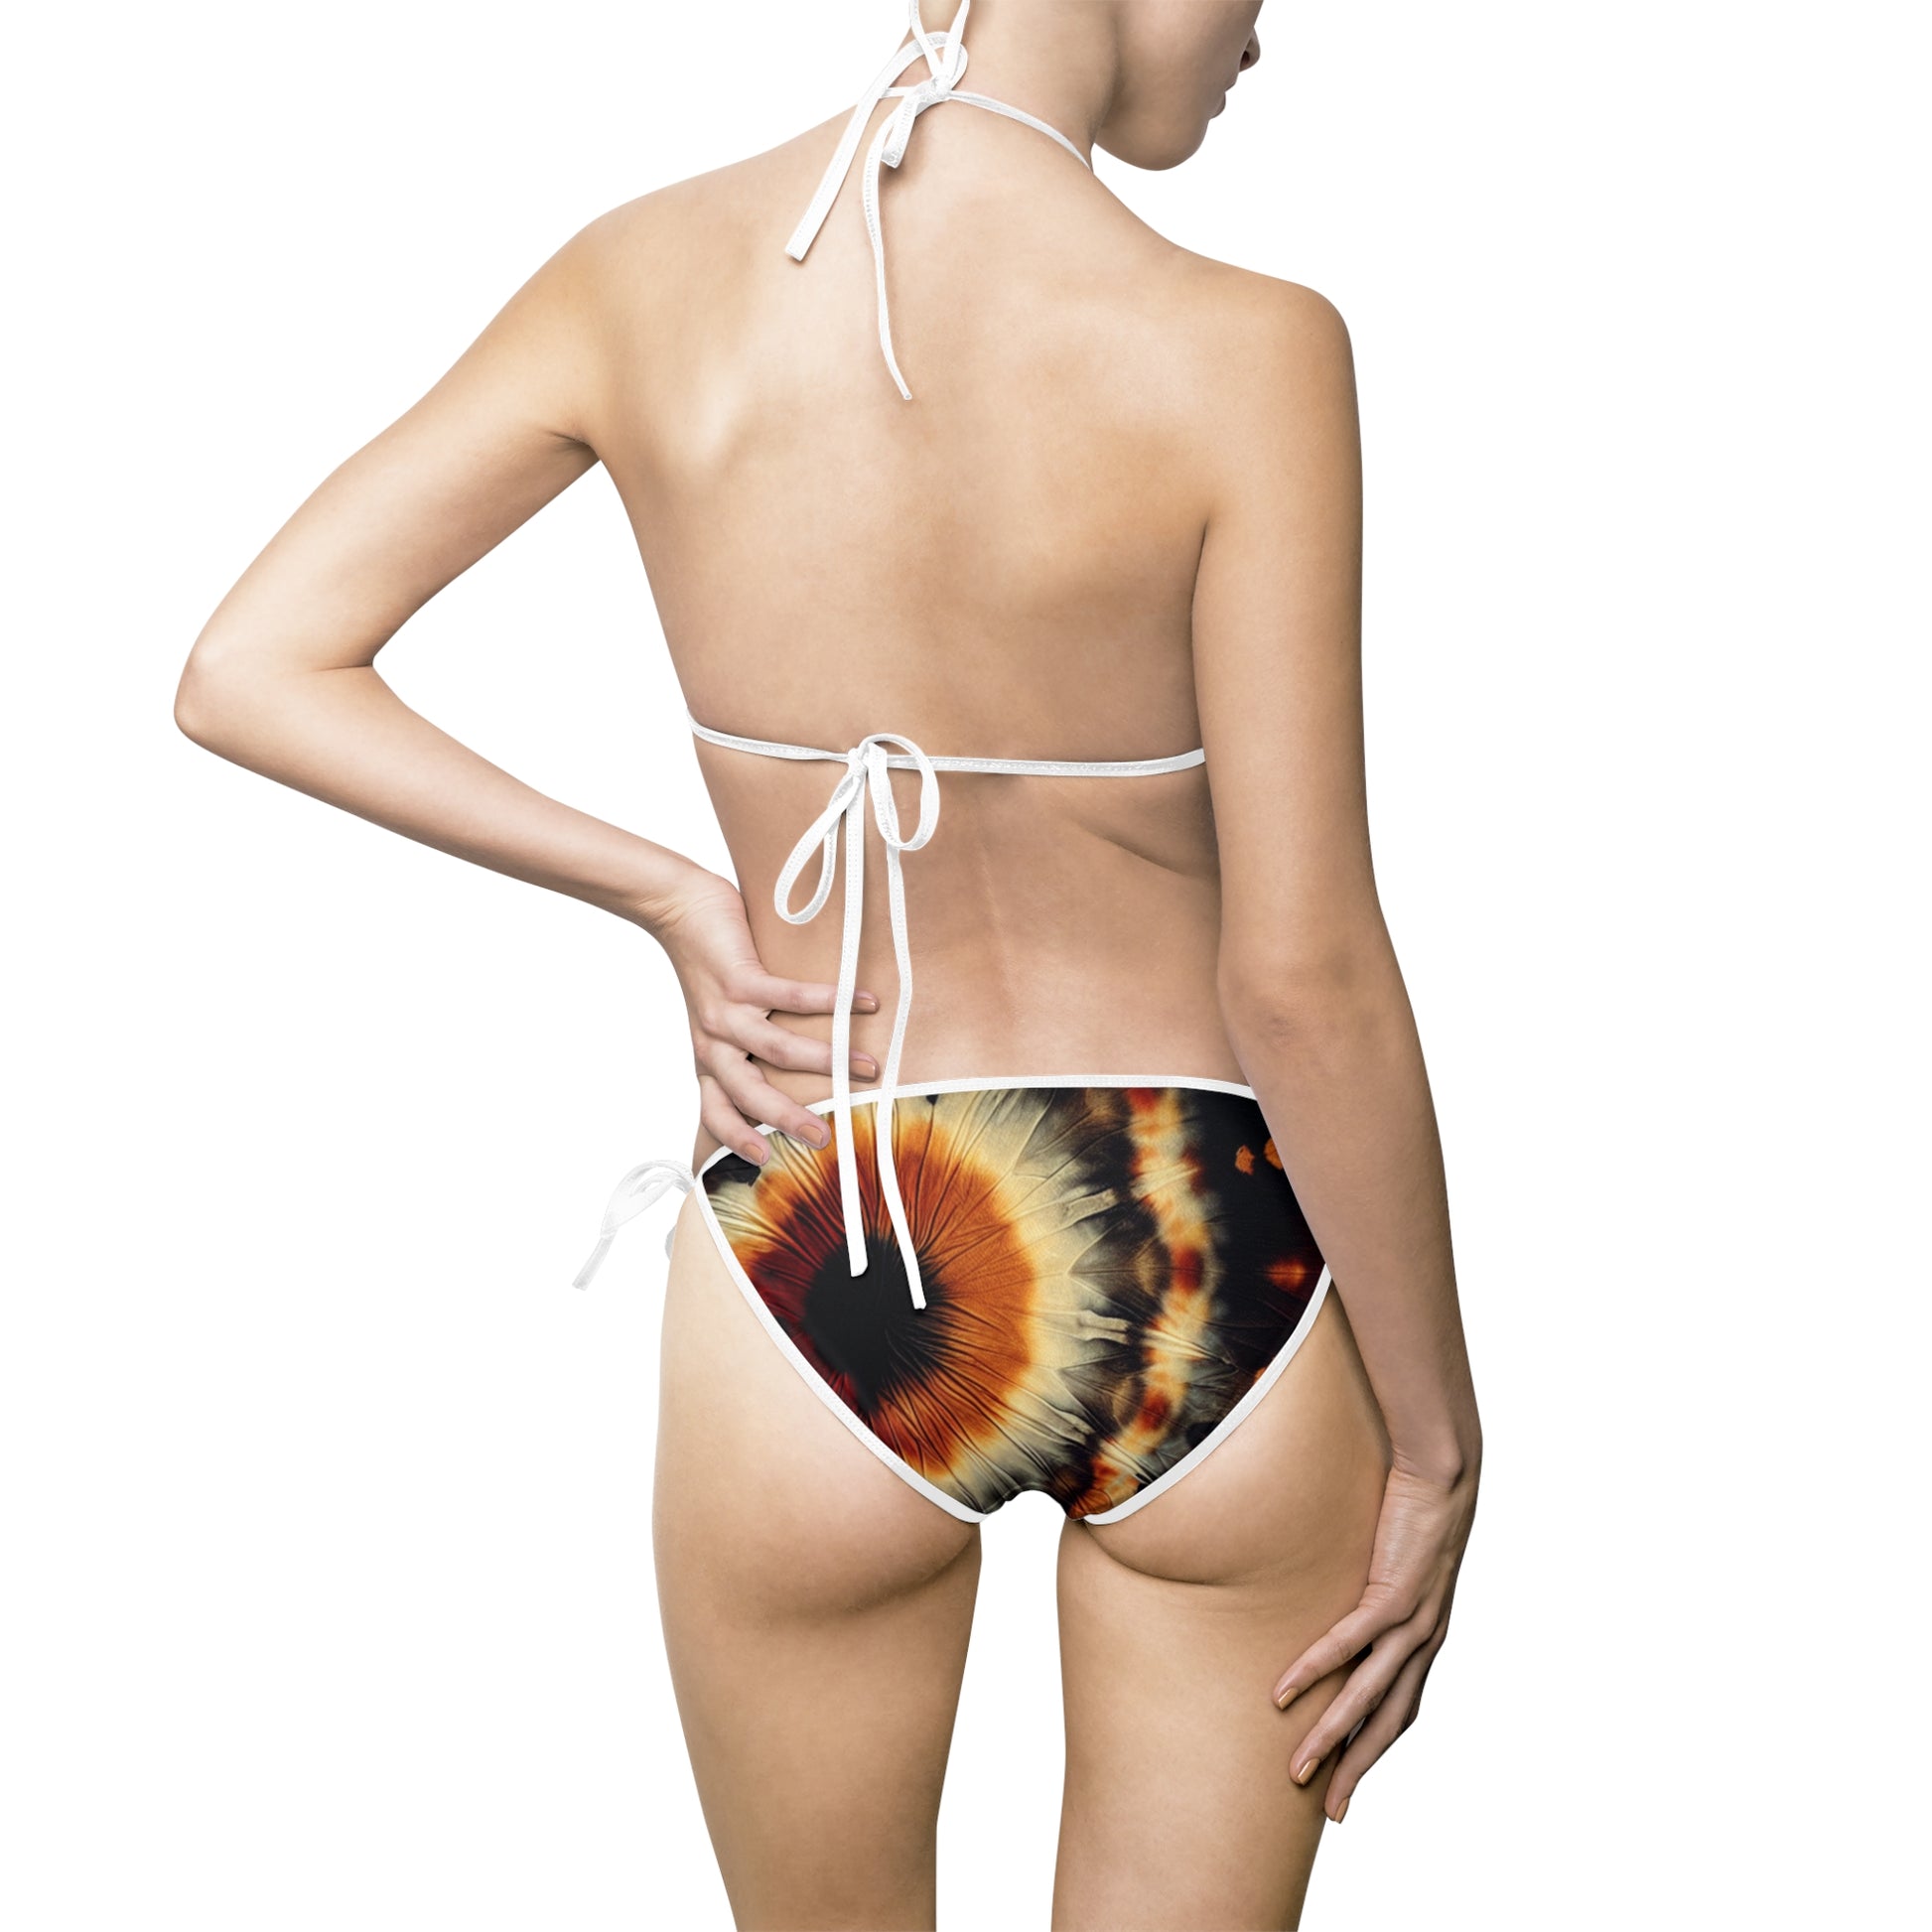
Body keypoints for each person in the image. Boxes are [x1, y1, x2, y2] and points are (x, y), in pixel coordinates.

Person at [174, 1, 1480, 1923]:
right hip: (1208, 1262)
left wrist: (677, 897)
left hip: (824, 1227)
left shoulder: (641, 280)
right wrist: (1437, 1439)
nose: (1263, 30)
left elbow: (250, 664)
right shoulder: (1250, 348)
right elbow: (1303, 980)